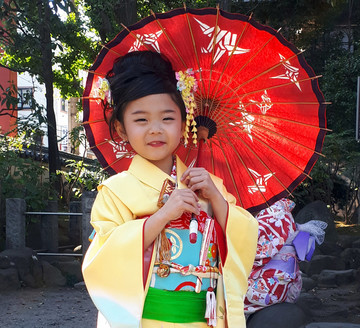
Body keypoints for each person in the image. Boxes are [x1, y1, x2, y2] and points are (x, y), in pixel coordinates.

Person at [82, 50, 259, 328]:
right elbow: (103, 258)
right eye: (141, 120)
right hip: (147, 319)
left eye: (167, 118)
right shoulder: (115, 191)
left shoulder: (208, 186)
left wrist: (217, 201)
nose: (155, 129)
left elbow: (245, 237)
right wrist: (162, 216)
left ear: (183, 122)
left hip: (203, 320)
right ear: (121, 128)